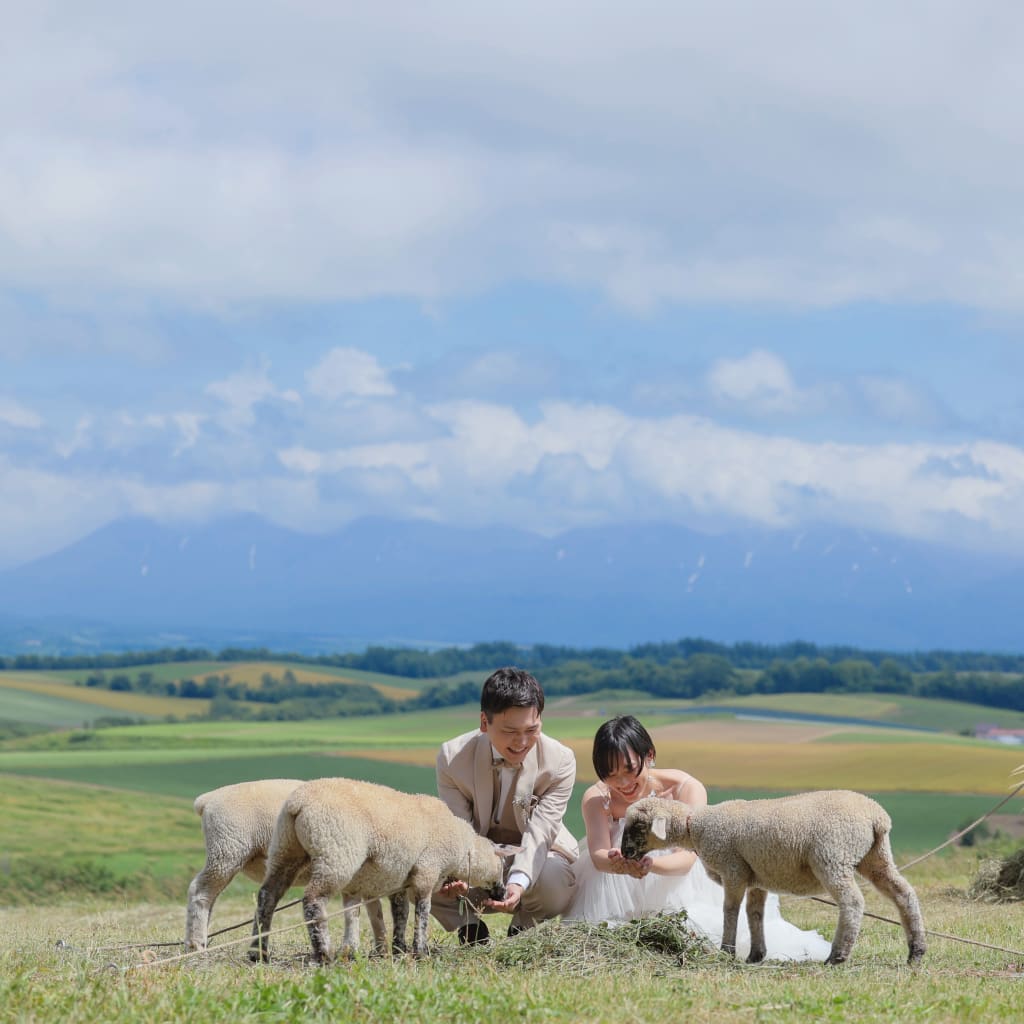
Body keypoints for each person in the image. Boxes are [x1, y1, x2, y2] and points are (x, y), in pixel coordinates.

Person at [564, 715, 831, 961]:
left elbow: (687, 858)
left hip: (681, 883)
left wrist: (649, 864)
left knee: (699, 933)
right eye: (610, 775)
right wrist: (615, 861)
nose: (622, 783)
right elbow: (598, 855)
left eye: (629, 770)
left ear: (649, 756)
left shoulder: (685, 789)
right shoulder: (597, 799)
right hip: (614, 886)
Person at [432, 666, 578, 944]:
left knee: (555, 884)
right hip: (476, 853)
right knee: (424, 876)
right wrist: (462, 872)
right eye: (510, 731)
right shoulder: (452, 757)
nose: (522, 742)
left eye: (532, 730)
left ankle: (521, 931)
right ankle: (470, 929)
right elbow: (459, 829)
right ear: (484, 723)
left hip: (537, 853)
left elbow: (542, 830)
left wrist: (518, 882)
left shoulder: (561, 760)